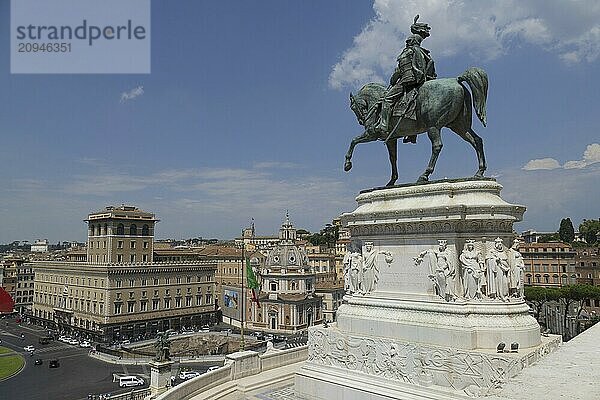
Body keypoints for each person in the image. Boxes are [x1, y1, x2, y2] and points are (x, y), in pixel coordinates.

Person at [377, 15, 436, 141]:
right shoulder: (425, 53)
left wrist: (393, 79)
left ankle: (383, 125)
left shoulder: (407, 52)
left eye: (407, 41)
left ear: (411, 41)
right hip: (423, 81)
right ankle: (412, 134)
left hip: (408, 81)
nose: (406, 42)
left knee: (387, 99)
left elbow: (400, 72)